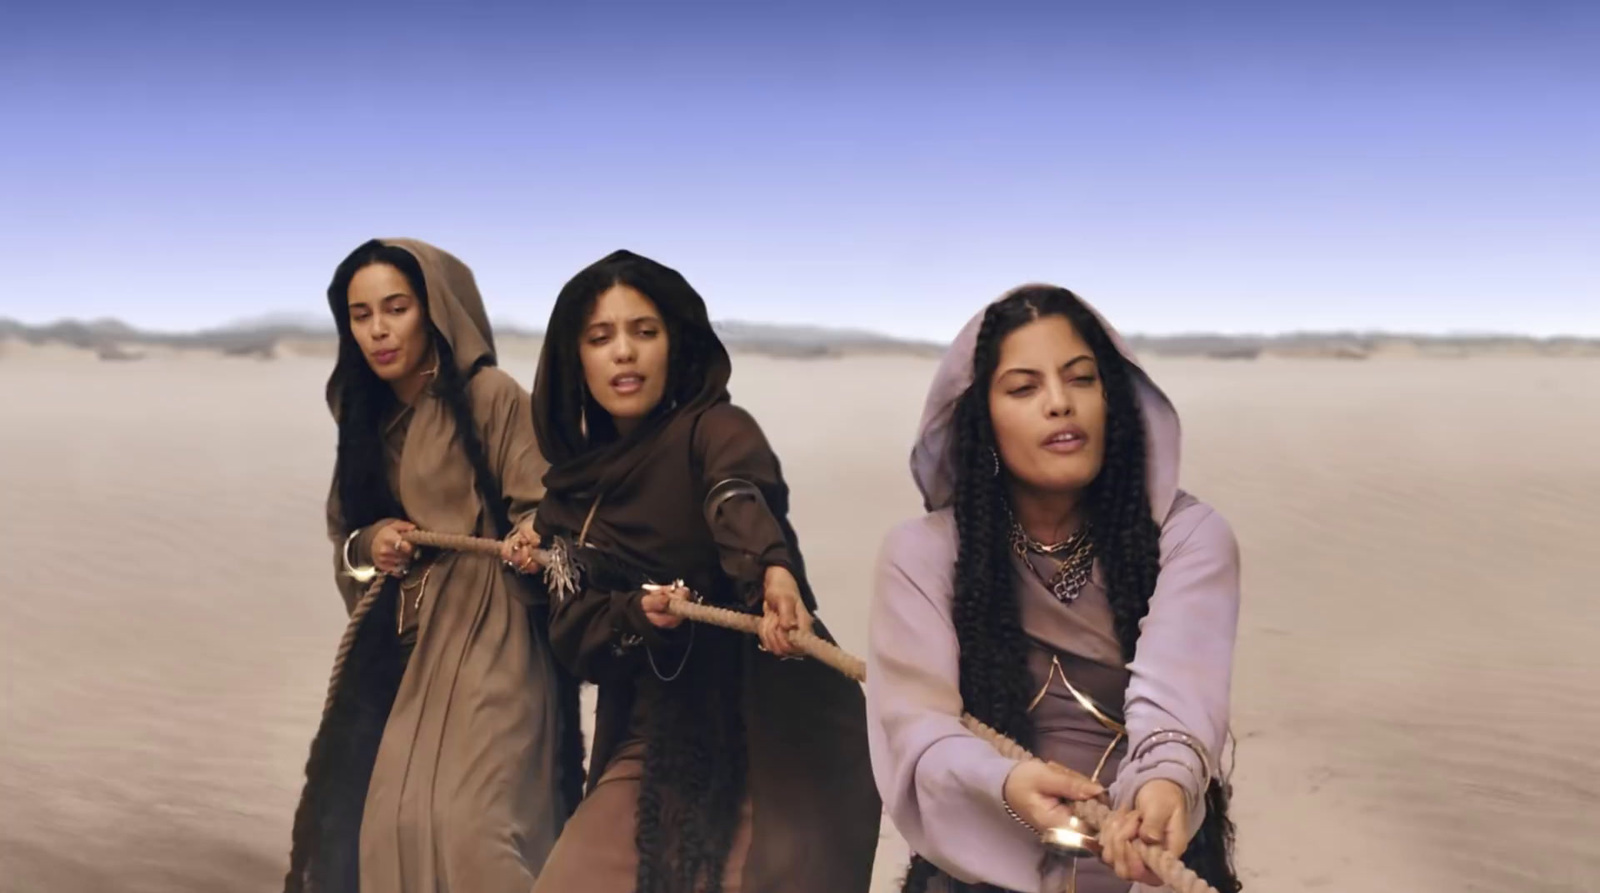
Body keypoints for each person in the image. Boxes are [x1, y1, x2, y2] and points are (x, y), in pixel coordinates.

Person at [517, 249, 880, 893]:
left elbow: (735, 495)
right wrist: (637, 614)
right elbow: (577, 633)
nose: (624, 352)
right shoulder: (570, 499)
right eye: (601, 338)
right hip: (654, 729)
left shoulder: (715, 429)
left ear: (675, 345)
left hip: (774, 724)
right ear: (576, 359)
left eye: (644, 332)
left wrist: (771, 571)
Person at [866, 285, 1242, 892]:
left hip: (1147, 862)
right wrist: (1005, 785)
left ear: (1112, 401)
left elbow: (1180, 692)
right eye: (1023, 388)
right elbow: (918, 729)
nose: (1060, 404)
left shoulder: (1188, 536)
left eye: (1081, 379)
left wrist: (1165, 782)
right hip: (986, 858)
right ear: (980, 421)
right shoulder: (923, 553)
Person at [284, 238, 582, 893]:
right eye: (361, 315)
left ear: (435, 312)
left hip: (493, 636)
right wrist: (372, 543)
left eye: (396, 307)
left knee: (473, 827)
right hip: (398, 646)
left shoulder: (492, 396)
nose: (379, 330)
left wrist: (531, 534)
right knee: (376, 824)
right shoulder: (362, 417)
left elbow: (553, 507)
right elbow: (346, 540)